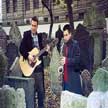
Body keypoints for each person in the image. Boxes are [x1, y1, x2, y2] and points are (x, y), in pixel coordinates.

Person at [19, 16, 50, 108]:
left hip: (38, 68)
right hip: (29, 69)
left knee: (40, 91)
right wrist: (28, 55)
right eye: (32, 25)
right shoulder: (26, 35)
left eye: (35, 26)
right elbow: (21, 49)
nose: (33, 27)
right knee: (31, 91)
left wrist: (47, 50)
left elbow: (41, 53)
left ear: (37, 26)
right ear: (30, 25)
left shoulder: (40, 37)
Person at [60, 24, 82, 94]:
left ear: (70, 34)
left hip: (73, 78)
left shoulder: (75, 44)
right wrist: (61, 67)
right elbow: (63, 59)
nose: (65, 37)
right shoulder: (64, 45)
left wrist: (66, 60)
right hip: (65, 78)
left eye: (66, 35)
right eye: (64, 35)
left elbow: (78, 60)